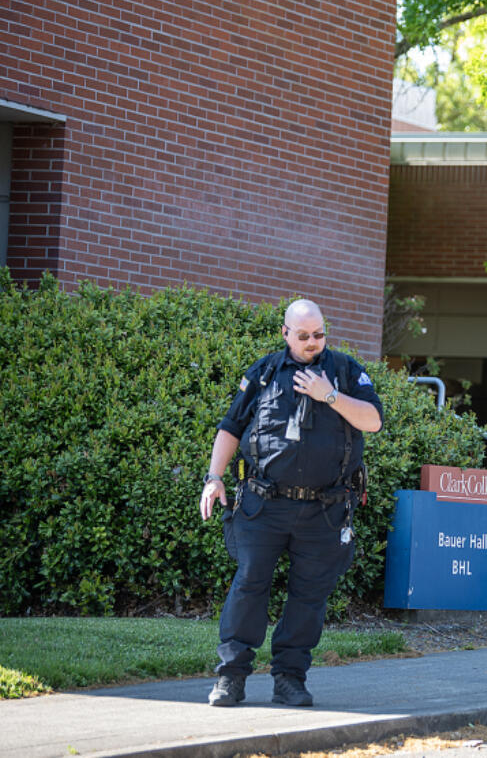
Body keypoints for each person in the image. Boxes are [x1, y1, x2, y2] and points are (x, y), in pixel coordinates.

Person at [199, 298, 383, 707]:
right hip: (264, 505)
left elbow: (373, 420)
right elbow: (231, 427)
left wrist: (330, 395)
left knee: (309, 596)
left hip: (325, 509)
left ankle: (290, 679)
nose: (313, 342)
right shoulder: (265, 372)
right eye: (304, 336)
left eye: (319, 334)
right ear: (285, 334)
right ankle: (231, 677)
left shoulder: (346, 372)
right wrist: (214, 478)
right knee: (249, 585)